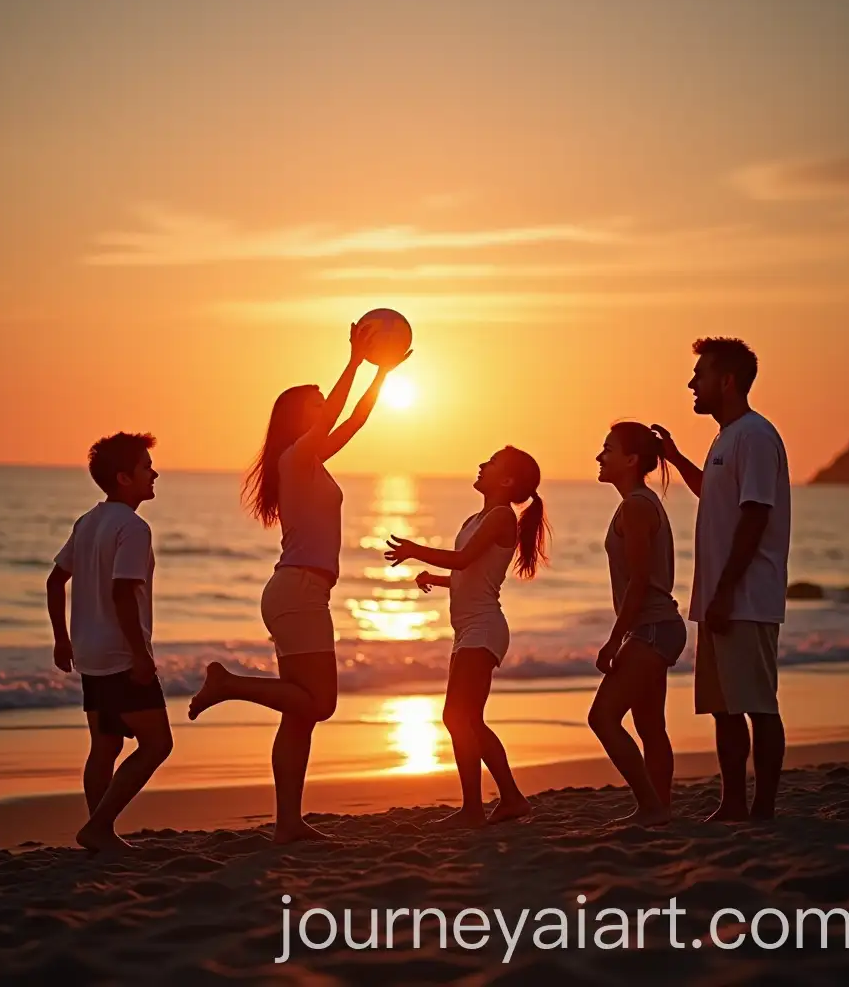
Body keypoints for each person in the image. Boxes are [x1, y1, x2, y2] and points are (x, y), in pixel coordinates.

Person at [188, 323, 410, 844]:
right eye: (314, 401)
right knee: (320, 704)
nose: (322, 404)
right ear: (300, 417)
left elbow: (353, 419)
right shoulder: (295, 457)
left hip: (297, 593)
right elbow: (340, 410)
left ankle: (288, 823)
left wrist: (379, 373)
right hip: (299, 593)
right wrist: (355, 362)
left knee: (299, 715)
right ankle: (229, 684)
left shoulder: (308, 459)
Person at [653, 337, 791, 821]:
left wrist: (728, 591)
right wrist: (671, 454)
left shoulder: (754, 435)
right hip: (721, 597)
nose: (692, 383)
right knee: (723, 707)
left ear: (727, 381)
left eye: (701, 374)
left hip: (746, 598)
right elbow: (712, 492)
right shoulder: (725, 437)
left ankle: (764, 809)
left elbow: (755, 515)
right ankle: (733, 803)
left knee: (757, 704)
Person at [384, 447, 550, 828]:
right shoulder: (476, 518)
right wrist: (435, 578)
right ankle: (507, 799)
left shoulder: (500, 518)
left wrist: (414, 551)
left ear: (507, 480)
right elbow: (467, 575)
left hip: (484, 629)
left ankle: (478, 808)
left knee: (458, 716)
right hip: (468, 630)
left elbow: (461, 561)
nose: (481, 464)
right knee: (468, 719)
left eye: (491, 463)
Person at [47, 432, 171, 853]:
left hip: (89, 652)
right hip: (119, 654)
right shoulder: (133, 528)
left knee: (105, 745)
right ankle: (99, 827)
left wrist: (62, 641)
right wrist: (141, 655)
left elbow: (54, 581)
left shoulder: (88, 522)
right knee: (157, 744)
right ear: (123, 477)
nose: (153, 473)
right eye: (145, 467)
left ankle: (99, 832)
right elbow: (122, 592)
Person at [587, 422, 687, 826]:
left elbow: (641, 580)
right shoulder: (640, 503)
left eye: (607, 449)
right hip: (657, 627)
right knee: (649, 724)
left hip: (651, 628)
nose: (599, 456)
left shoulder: (636, 506)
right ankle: (659, 808)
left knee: (603, 717)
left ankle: (651, 806)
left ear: (631, 460)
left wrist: (614, 641)